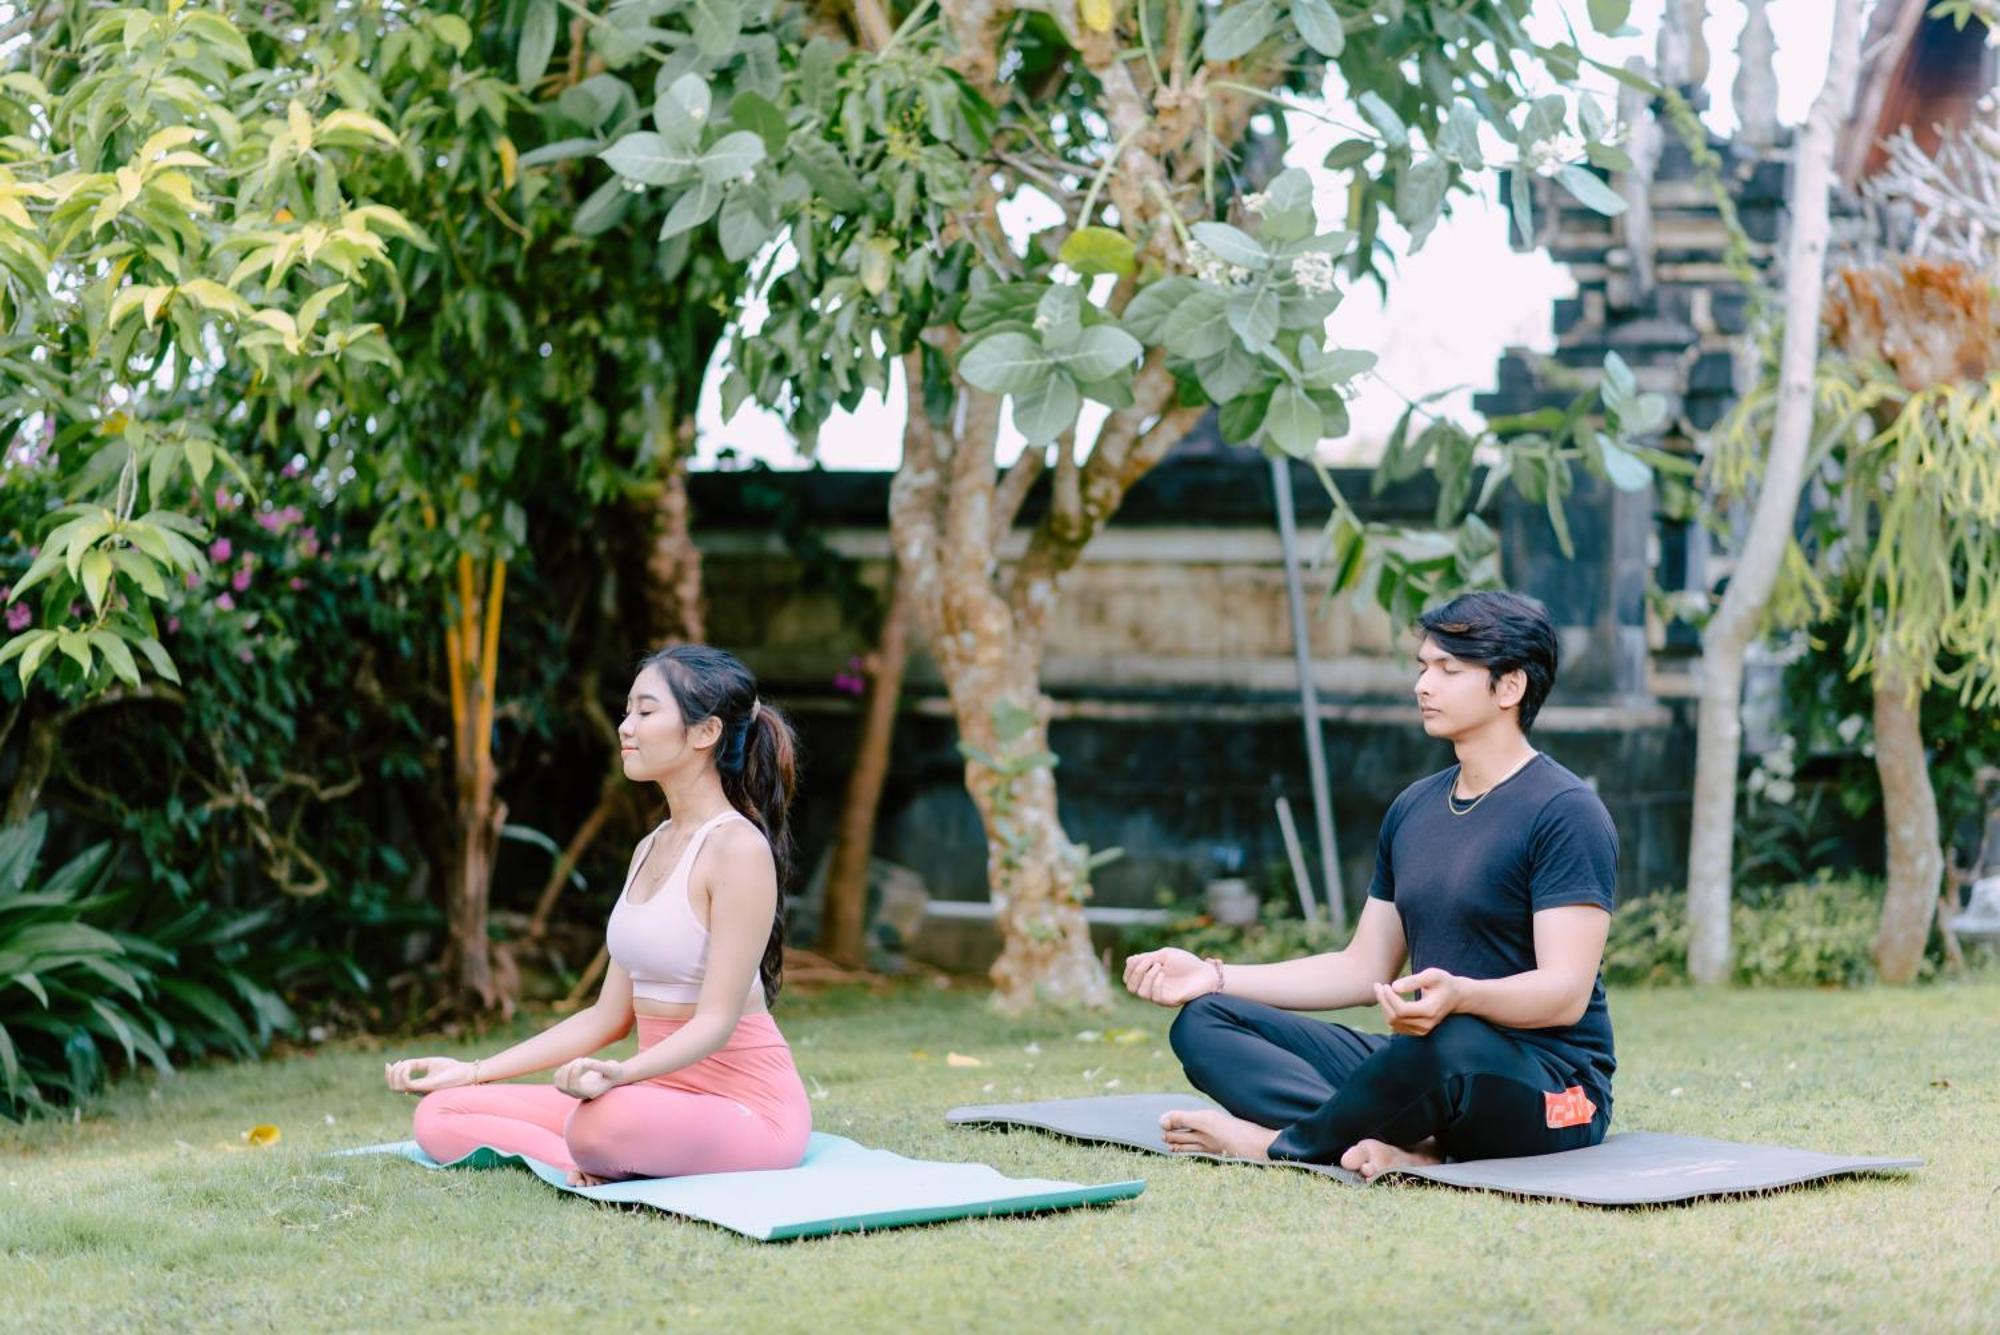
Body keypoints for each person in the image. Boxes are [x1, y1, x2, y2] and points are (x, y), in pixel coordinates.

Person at [1123, 591, 1618, 1179]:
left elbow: (1564, 992)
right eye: (1422, 666)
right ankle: (1401, 1142)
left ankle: (1278, 1144)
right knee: (1208, 1020)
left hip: (1553, 1087)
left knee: (1448, 1043)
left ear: (1509, 687)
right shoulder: (1415, 808)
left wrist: (1462, 996)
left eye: (1448, 670)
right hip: (1425, 1059)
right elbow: (1363, 969)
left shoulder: (1565, 811)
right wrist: (1217, 976)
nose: (1423, 685)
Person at [384, 645, 810, 1185]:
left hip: (746, 1110)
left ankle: (596, 1150)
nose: (625, 727)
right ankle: (582, 1162)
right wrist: (471, 1071)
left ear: (706, 733)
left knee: (602, 1121)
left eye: (646, 711)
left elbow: (715, 1022)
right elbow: (607, 1017)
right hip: (652, 1097)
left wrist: (621, 1075)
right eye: (627, 710)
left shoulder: (737, 850)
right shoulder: (650, 847)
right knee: (443, 1113)